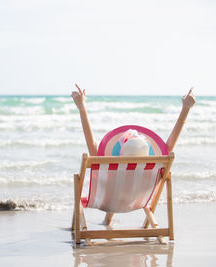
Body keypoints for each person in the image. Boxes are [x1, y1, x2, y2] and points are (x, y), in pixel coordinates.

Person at [71, 84, 196, 225]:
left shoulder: (109, 166)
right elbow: (170, 145)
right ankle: (108, 220)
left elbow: (92, 143)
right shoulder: (153, 166)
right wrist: (186, 109)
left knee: (114, 182)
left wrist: (82, 108)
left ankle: (107, 220)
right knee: (123, 183)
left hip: (110, 200)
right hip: (137, 200)